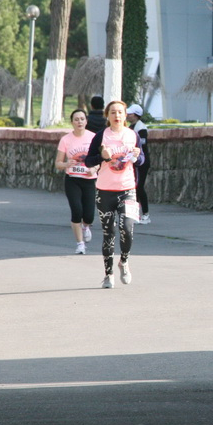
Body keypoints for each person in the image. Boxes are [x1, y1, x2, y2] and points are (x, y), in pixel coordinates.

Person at [84, 101, 145, 288]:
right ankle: (108, 274)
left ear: (125, 115)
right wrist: (102, 156)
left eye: (120, 112)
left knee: (127, 229)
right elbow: (88, 161)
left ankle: (124, 261)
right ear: (107, 115)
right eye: (113, 112)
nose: (117, 116)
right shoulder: (101, 136)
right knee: (108, 233)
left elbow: (141, 160)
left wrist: (137, 155)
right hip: (105, 190)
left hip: (127, 190)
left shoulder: (132, 134)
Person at [55, 109, 99, 254]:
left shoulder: (94, 137)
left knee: (89, 215)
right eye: (76, 119)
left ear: (86, 121)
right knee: (76, 211)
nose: (79, 122)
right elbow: (58, 163)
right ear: (72, 122)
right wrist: (66, 164)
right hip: (72, 180)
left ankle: (86, 226)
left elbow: (101, 160)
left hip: (89, 180)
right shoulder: (66, 140)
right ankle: (80, 244)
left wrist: (94, 169)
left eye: (82, 119)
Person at [126, 104, 151, 224]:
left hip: (142, 162)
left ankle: (146, 214)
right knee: (134, 188)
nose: (128, 115)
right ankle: (135, 214)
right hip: (134, 161)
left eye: (130, 114)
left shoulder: (141, 128)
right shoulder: (131, 127)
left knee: (139, 187)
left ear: (136, 115)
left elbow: (142, 144)